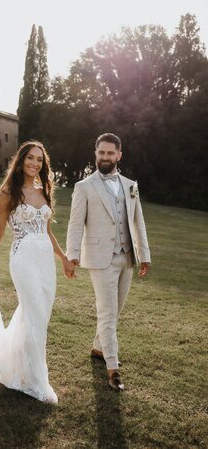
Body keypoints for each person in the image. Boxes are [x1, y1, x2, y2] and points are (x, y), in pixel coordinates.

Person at [0, 141, 74, 404]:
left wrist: (63, 259)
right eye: (30, 158)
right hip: (23, 258)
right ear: (21, 159)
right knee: (34, 311)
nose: (35, 163)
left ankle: (20, 366)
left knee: (38, 316)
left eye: (39, 160)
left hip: (45, 261)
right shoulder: (8, 192)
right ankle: (39, 383)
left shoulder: (44, 190)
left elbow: (47, 232)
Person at [66, 132, 151, 391]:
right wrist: (72, 255)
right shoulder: (84, 187)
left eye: (110, 153)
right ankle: (112, 368)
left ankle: (98, 348)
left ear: (119, 155)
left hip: (127, 257)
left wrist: (144, 255)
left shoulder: (130, 184)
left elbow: (139, 222)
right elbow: (75, 223)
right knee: (107, 311)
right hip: (100, 258)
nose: (105, 157)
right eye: (101, 153)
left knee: (116, 309)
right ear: (96, 154)